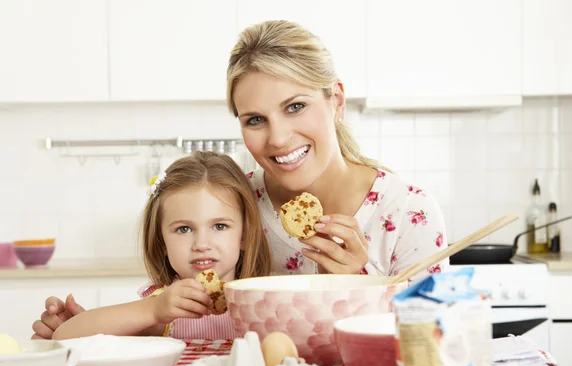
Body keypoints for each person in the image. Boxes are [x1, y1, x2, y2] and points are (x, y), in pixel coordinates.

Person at [32, 20, 447, 339]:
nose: (279, 138)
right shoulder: (233, 200)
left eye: (296, 106)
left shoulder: (409, 211)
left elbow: (436, 340)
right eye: (255, 119)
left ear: (335, 101)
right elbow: (162, 309)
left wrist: (362, 283)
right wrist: (92, 328)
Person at [51, 151, 271, 340]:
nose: (202, 244)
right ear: (161, 242)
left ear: (244, 235)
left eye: (220, 226)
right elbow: (63, 336)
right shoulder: (163, 305)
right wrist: (153, 311)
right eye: (184, 229)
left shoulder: (265, 299)